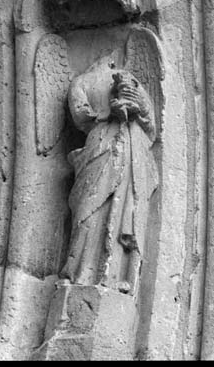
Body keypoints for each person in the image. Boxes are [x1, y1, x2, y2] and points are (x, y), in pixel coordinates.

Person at [61, 66, 157, 291]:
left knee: (127, 209)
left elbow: (151, 126)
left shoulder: (135, 84)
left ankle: (120, 275)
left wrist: (136, 108)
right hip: (100, 145)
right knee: (87, 210)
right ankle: (78, 272)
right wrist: (108, 113)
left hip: (131, 149)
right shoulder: (82, 81)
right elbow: (80, 115)